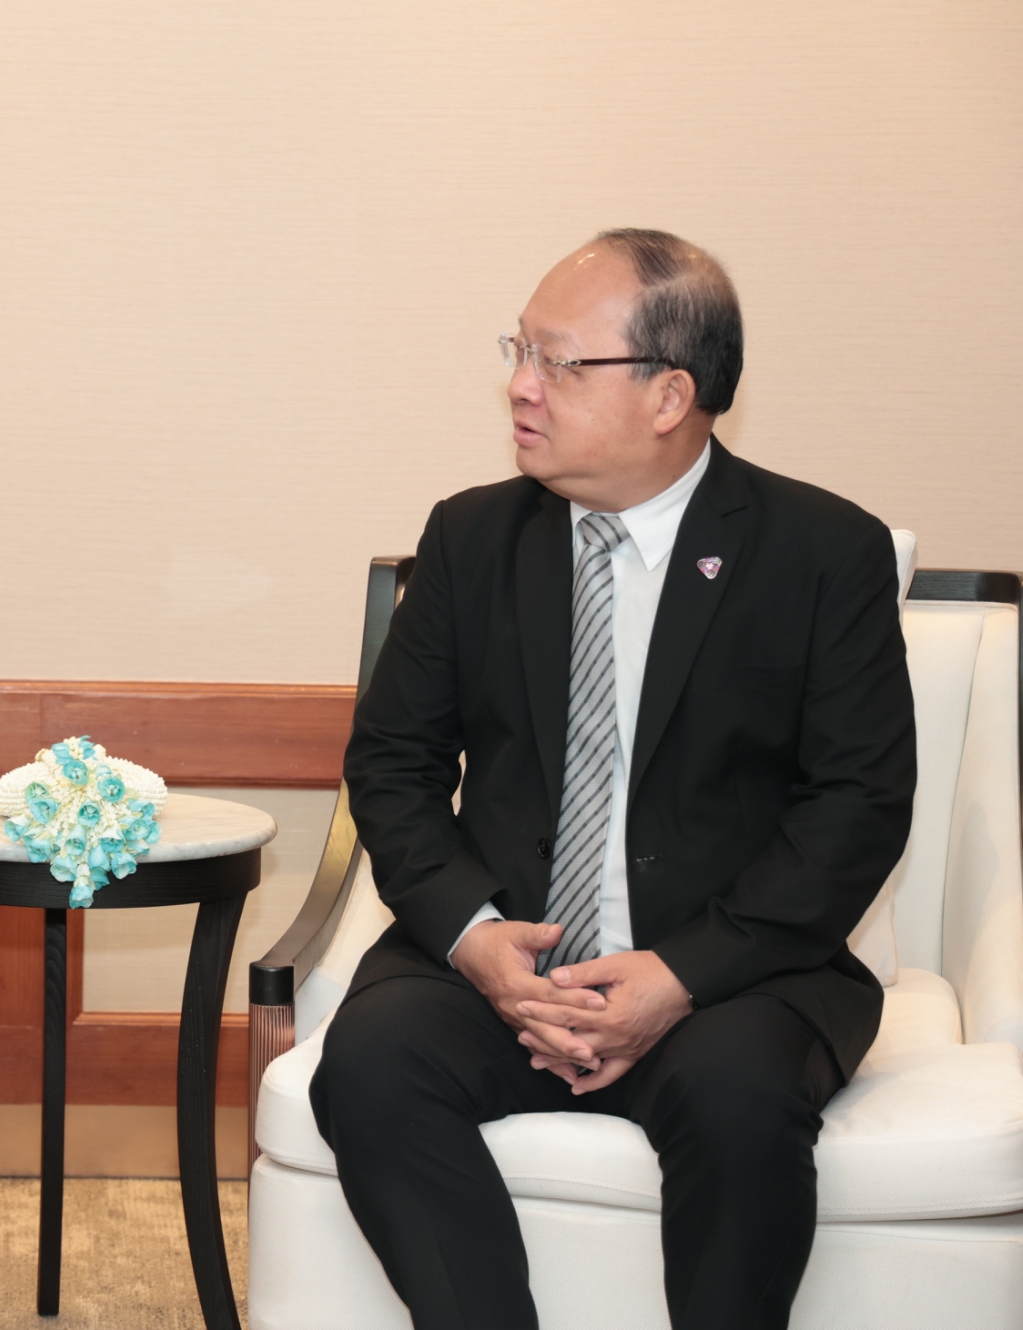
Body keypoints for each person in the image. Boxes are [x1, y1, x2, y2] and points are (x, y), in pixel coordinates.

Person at [310, 230, 916, 1330]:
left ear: (669, 395)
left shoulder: (822, 553)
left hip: (729, 975)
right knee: (369, 1064)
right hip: (505, 962)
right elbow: (391, 765)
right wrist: (475, 940)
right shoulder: (471, 538)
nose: (519, 385)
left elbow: (857, 806)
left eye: (557, 361)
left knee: (737, 1100)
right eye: (518, 351)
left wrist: (679, 974)